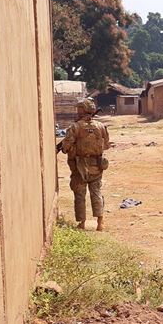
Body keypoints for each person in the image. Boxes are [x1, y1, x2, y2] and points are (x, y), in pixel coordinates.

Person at [62, 98, 110, 231]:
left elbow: (66, 147)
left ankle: (82, 223)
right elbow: (106, 145)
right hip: (97, 165)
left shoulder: (75, 127)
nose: (77, 112)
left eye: (79, 109)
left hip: (79, 166)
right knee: (96, 193)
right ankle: (100, 223)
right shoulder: (101, 126)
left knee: (79, 194)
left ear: (82, 110)